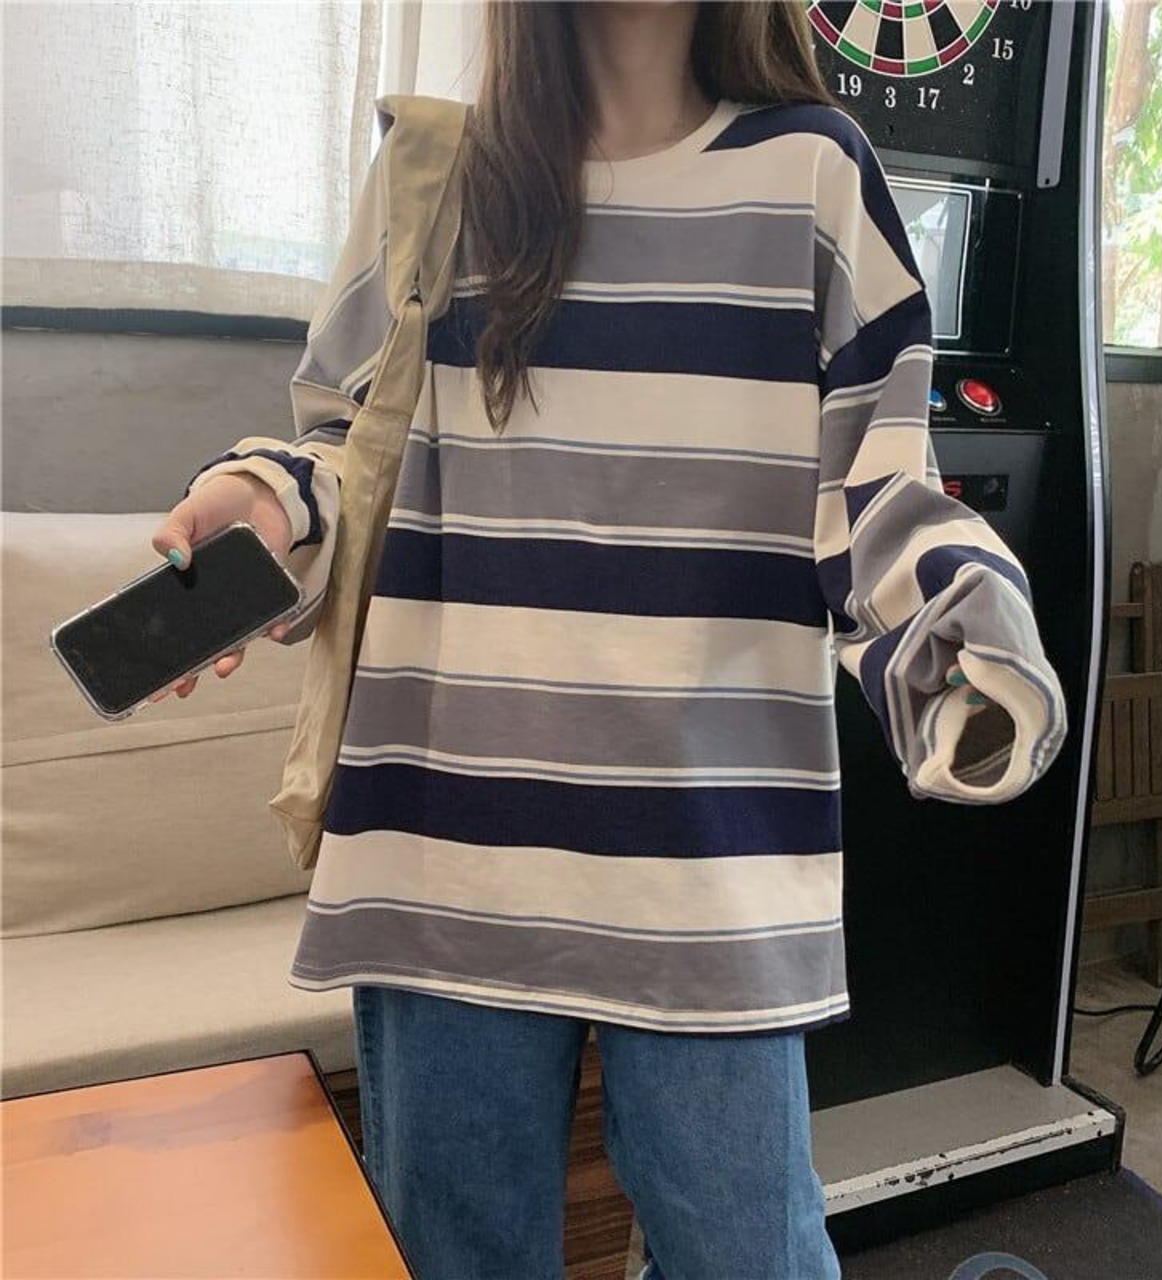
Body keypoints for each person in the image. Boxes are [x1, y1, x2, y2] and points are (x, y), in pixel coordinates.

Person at [152, 3, 1067, 1277]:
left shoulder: (813, 173)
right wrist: (264, 496)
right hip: (445, 841)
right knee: (458, 1256)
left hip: (711, 852)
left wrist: (959, 618)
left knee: (749, 1251)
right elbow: (346, 447)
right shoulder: (433, 176)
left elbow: (874, 486)